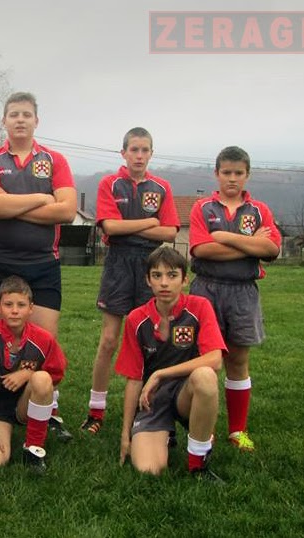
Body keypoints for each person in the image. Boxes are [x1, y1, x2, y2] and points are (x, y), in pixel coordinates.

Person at [0, 91, 77, 440]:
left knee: (44, 341)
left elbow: (67, 210)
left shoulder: (54, 160)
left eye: (26, 114)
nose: (20, 119)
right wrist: (41, 198)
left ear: (36, 121)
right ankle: (0, 405)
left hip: (43, 263)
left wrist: (10, 203)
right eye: (14, 114)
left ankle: (47, 408)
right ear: (4, 121)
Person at [81, 127, 180, 435]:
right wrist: (150, 222)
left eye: (144, 150)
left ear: (151, 153)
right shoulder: (110, 184)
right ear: (123, 153)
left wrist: (130, 226)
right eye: (134, 149)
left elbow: (170, 231)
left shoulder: (161, 187)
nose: (139, 155)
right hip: (118, 264)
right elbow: (110, 227)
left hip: (151, 265)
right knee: (110, 340)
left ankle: (150, 409)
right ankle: (96, 411)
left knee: (153, 339)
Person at [189, 146, 281, 452]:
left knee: (239, 360)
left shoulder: (260, 210)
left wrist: (225, 237)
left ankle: (237, 430)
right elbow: (202, 250)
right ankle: (205, 428)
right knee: (206, 361)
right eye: (226, 172)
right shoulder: (202, 208)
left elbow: (272, 250)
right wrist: (251, 244)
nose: (232, 178)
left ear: (247, 175)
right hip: (206, 290)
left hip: (243, 291)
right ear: (216, 174)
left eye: (238, 173)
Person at [116, 246, 225, 480]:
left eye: (172, 275)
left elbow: (215, 360)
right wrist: (126, 434)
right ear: (148, 280)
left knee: (205, 376)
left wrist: (160, 374)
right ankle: (166, 433)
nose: (164, 283)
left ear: (185, 280)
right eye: (157, 275)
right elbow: (134, 379)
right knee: (149, 470)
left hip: (186, 394)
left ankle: (197, 464)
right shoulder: (136, 319)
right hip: (152, 399)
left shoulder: (199, 306)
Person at [0, 276, 67, 474]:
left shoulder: (43, 338)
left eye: (21, 305)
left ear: (31, 308)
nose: (14, 310)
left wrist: (29, 374)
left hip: (25, 404)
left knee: (42, 378)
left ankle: (34, 448)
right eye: (8, 304)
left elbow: (56, 374)